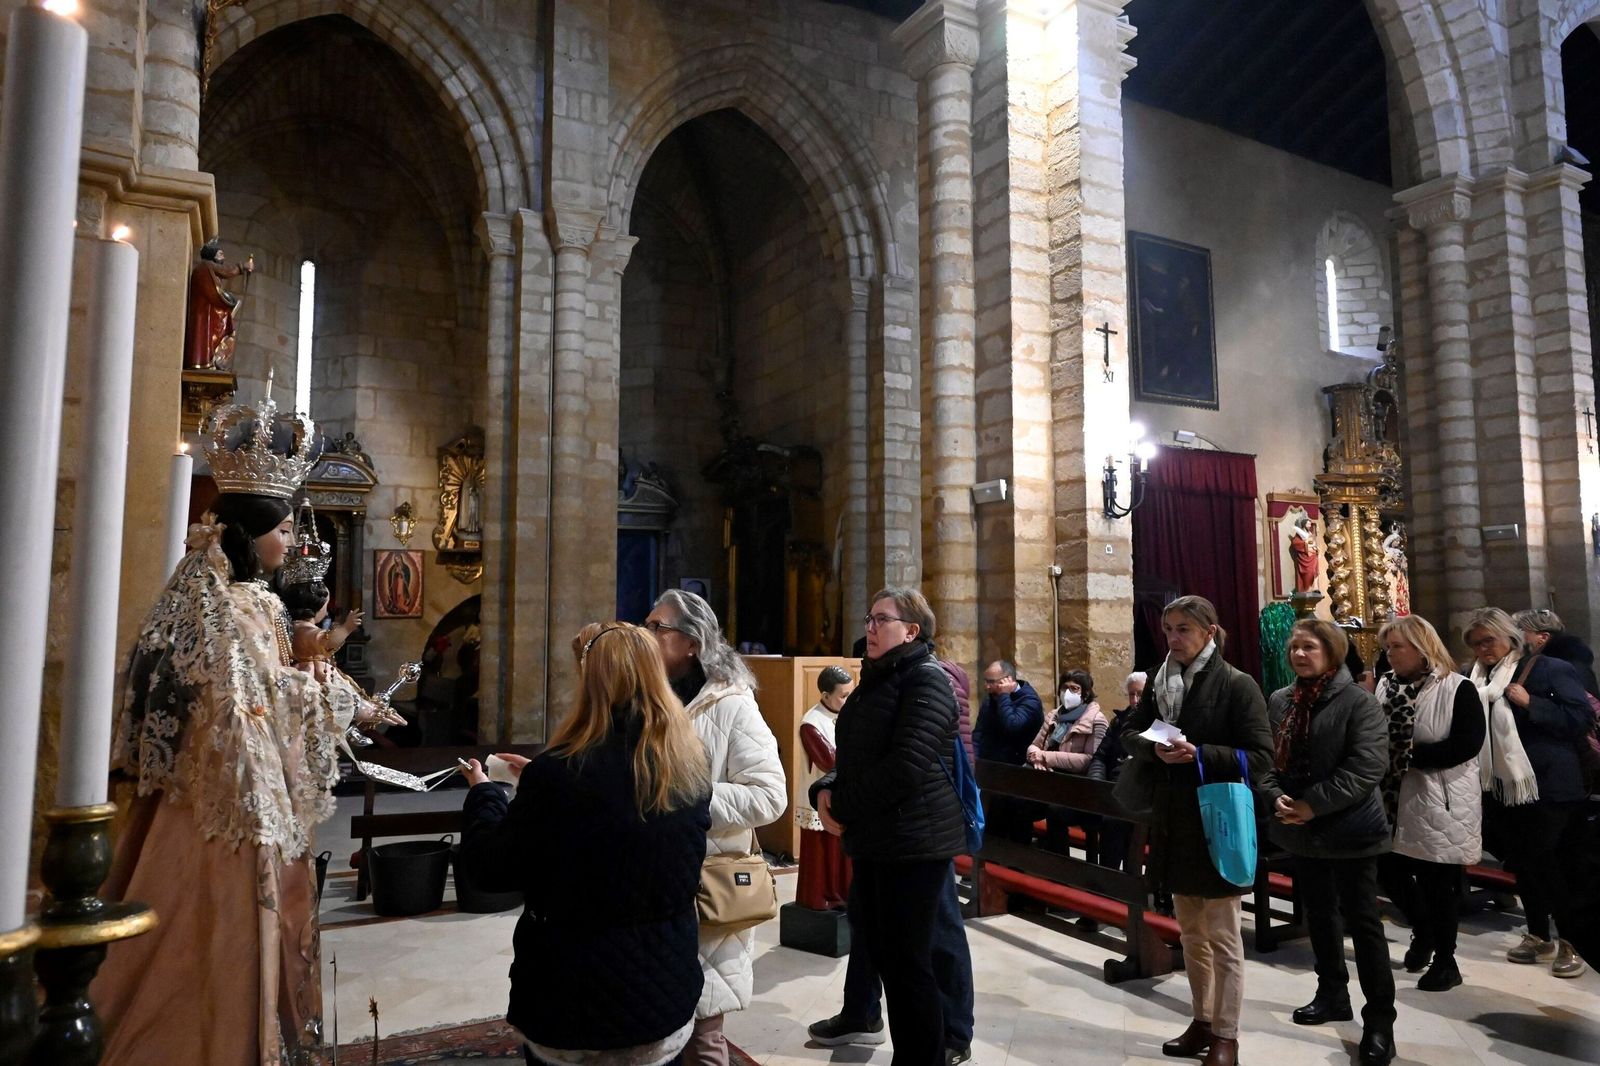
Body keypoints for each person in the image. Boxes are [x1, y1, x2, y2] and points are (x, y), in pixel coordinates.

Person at [95, 394, 380, 1066]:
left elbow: (259, 686)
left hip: (209, 790)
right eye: (281, 530)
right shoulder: (243, 604)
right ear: (249, 536)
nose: (292, 541)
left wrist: (316, 677)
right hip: (235, 800)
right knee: (210, 936)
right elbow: (250, 701)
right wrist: (342, 705)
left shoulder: (221, 597)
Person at [459, 623, 713, 1066]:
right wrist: (537, 783)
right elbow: (620, 816)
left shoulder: (558, 775)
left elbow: (491, 868)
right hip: (661, 992)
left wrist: (485, 793)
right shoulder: (688, 765)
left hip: (573, 998)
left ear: (589, 682)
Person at [811, 586, 969, 1065]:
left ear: (912, 630)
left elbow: (907, 765)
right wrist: (824, 790)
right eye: (869, 617)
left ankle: (926, 1054)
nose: (870, 627)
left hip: (914, 842)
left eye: (882, 619)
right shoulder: (878, 679)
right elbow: (857, 756)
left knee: (910, 964)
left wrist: (843, 802)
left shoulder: (927, 681)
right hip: (880, 840)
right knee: (886, 954)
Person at [1120, 596, 1272, 1066]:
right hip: (1173, 819)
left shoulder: (1236, 684)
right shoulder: (1159, 683)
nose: (1173, 638)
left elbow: (1262, 756)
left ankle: (1227, 1033)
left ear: (1209, 632)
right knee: (1190, 934)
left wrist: (1199, 752)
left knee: (1224, 936)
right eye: (1168, 629)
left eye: (1183, 629)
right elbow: (1132, 733)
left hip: (1216, 820)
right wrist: (1155, 749)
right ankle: (1201, 1021)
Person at [645, 590, 786, 1065]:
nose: (647, 636)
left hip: (706, 885)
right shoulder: (653, 699)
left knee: (703, 1034)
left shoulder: (730, 705)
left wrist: (689, 795)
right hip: (658, 882)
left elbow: (771, 796)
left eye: (657, 628)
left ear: (690, 642)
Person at [1261, 620, 1396, 1066]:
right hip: (1301, 828)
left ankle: (1380, 1021)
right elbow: (1264, 758)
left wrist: (1312, 805)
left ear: (1332, 652)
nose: (1298, 654)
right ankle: (1332, 993)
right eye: (1294, 647)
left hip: (1351, 828)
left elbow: (1366, 767)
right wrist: (1275, 795)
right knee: (1319, 915)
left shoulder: (1358, 702)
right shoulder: (1281, 700)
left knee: (1363, 922)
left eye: (1309, 646)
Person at [1464, 606, 1593, 980]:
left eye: (1489, 640)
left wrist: (1532, 704)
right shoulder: (1475, 679)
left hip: (1551, 784)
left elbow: (1581, 719)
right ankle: (1539, 934)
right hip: (1502, 787)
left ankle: (1573, 940)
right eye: (1476, 644)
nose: (1483, 650)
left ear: (1509, 636)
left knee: (1551, 864)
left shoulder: (1551, 669)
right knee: (1523, 862)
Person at [1371, 614, 1484, 991]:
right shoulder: (1385, 686)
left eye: (1397, 647)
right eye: (1386, 647)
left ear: (1422, 648)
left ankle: (1447, 961)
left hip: (1440, 798)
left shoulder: (1458, 688)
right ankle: (1423, 931)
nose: (1390, 655)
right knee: (1390, 873)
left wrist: (1405, 755)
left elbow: (1467, 744)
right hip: (1391, 799)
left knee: (1439, 884)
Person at [796, 666, 854, 910]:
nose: (849, 700)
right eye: (844, 696)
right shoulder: (812, 723)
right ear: (825, 695)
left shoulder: (847, 715)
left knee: (843, 855)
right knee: (822, 856)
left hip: (844, 796)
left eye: (851, 694)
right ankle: (822, 900)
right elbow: (829, 761)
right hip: (820, 798)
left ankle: (843, 896)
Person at [974, 659, 1044, 842]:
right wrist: (973, 761)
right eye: (986, 681)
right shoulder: (991, 700)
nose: (987, 687)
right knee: (991, 823)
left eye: (991, 682)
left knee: (1013, 823)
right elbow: (979, 733)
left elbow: (1012, 725)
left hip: (1018, 776)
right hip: (993, 773)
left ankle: (1017, 864)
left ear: (1008, 680)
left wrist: (1005, 696)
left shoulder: (1029, 700)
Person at [1514, 607, 1600, 698]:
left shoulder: (1556, 668)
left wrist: (1528, 702)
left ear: (1543, 637)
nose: (1516, 638)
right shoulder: (1571, 658)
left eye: (1521, 632)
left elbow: (1572, 708)